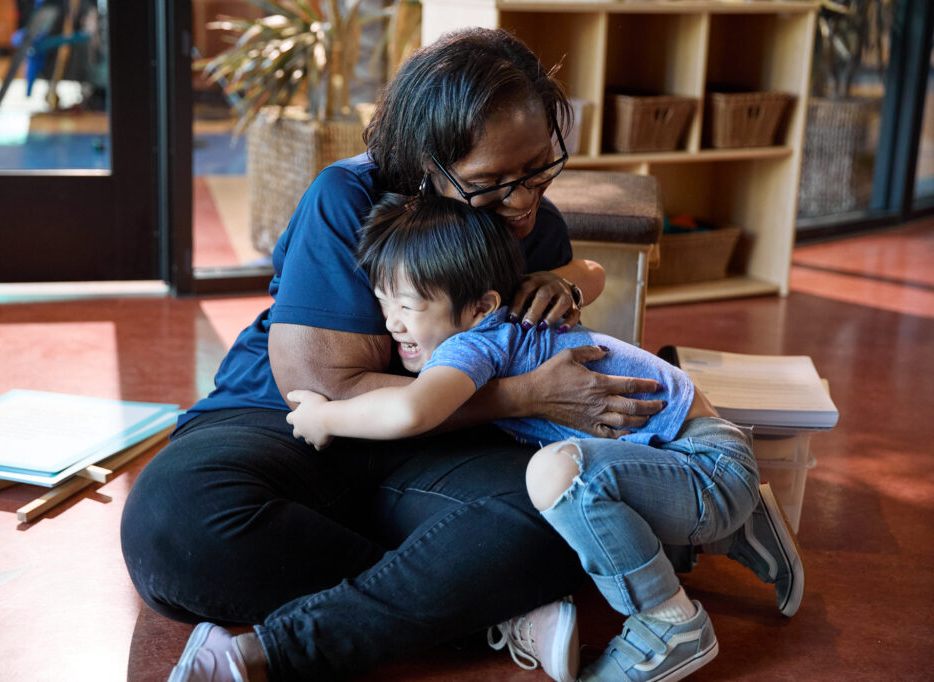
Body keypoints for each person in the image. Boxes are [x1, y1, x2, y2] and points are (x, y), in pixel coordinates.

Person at [124, 26, 671, 682]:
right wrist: (526, 396)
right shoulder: (347, 197)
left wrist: (567, 282)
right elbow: (322, 390)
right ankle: (471, 603)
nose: (525, 200)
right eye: (492, 181)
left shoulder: (535, 226)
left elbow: (548, 325)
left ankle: (306, 638)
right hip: (289, 426)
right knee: (174, 526)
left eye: (538, 169)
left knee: (569, 509)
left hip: (440, 449)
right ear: (424, 164)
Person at [285, 194, 804, 682]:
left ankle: (669, 621)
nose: (392, 324)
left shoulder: (475, 343)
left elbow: (413, 410)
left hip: (705, 471)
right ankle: (741, 527)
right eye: (383, 303)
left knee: (558, 474)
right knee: (572, 472)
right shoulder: (507, 324)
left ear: (479, 307)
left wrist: (326, 417)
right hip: (710, 456)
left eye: (408, 306)